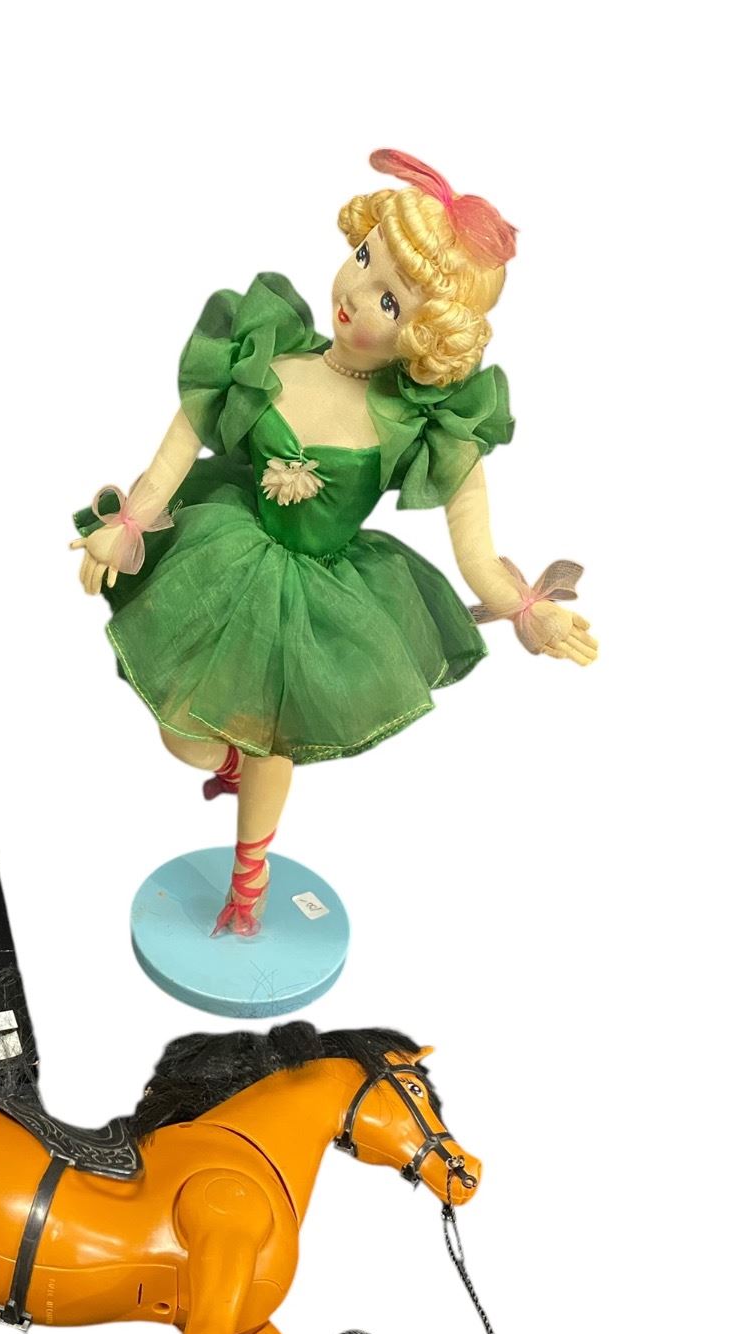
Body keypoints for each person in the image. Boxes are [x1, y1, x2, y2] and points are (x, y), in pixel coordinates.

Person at [73, 149, 597, 937]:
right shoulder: (270, 354)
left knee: (275, 737)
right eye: (362, 260)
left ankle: (248, 886)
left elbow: (476, 552)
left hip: (320, 598)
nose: (355, 295)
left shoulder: (424, 424)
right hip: (229, 553)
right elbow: (186, 433)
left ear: (430, 336)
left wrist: (529, 610)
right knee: (183, 734)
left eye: (390, 300)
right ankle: (232, 766)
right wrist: (131, 521)